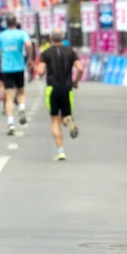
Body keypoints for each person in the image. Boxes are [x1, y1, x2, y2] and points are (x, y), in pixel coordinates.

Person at [37, 28, 83, 161]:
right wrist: (76, 81)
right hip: (67, 88)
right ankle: (69, 120)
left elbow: (40, 71)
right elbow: (80, 68)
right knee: (66, 115)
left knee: (54, 120)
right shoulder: (71, 52)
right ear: (63, 38)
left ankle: (61, 151)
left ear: (51, 37)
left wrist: (39, 70)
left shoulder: (45, 53)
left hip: (52, 88)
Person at [0, 14, 32, 135]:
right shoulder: (21, 33)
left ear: (6, 23)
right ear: (16, 23)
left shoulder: (1, 36)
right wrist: (30, 58)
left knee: (9, 96)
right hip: (19, 67)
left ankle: (10, 123)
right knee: (20, 91)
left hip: (6, 68)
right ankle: (21, 108)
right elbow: (29, 44)